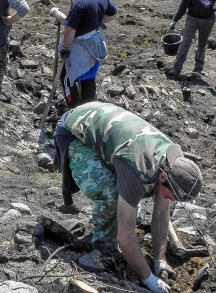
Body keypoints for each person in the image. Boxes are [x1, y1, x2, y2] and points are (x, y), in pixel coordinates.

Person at [52, 102, 203, 292]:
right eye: (173, 196)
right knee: (113, 197)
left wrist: (160, 259)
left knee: (130, 207)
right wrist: (148, 278)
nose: (172, 201)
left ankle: (119, 239)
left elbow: (162, 213)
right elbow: (125, 236)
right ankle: (103, 249)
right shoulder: (140, 171)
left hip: (106, 125)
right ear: (163, 177)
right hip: (73, 131)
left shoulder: (172, 164)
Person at [49, 0, 118, 106]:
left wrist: (65, 47)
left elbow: (69, 28)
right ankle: (89, 109)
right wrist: (96, 21)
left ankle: (74, 109)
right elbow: (114, 14)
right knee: (88, 78)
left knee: (66, 77)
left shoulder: (80, 3)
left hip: (81, 49)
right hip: (95, 47)